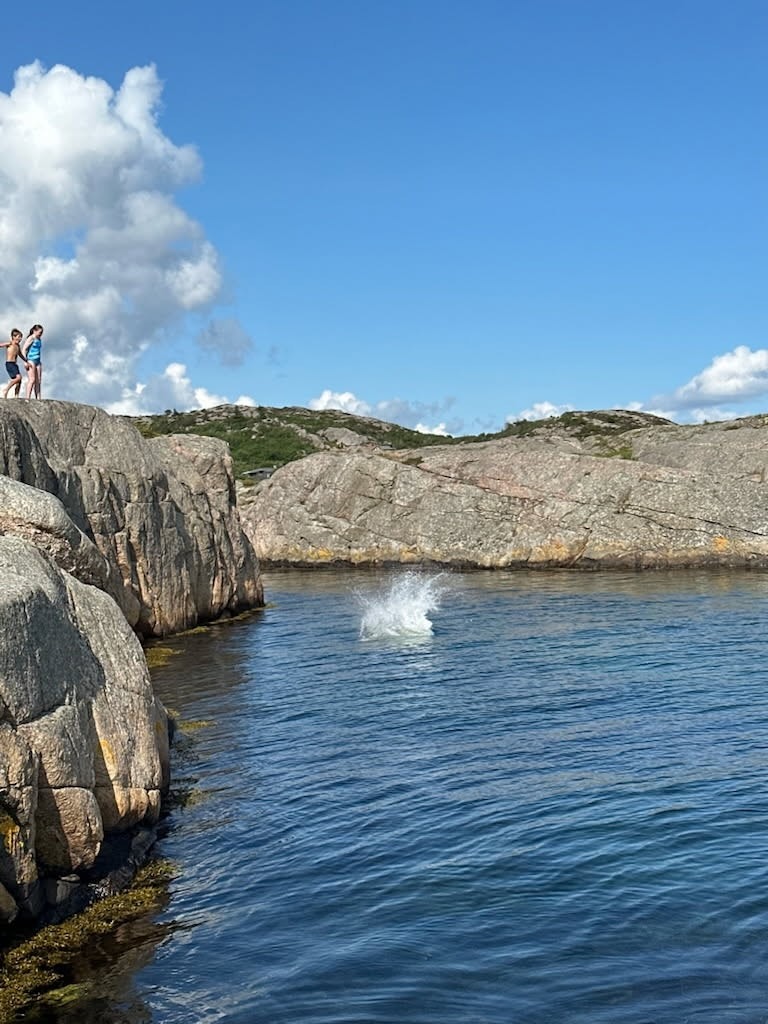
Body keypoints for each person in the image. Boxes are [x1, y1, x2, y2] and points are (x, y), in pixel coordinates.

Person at [21, 324, 43, 399]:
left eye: (42, 332)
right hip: (30, 360)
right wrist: (25, 361)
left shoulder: (39, 339)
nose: (41, 334)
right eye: (40, 332)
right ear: (34, 331)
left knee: (38, 381)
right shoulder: (31, 338)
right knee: (32, 379)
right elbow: (24, 349)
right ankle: (27, 398)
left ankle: (38, 398)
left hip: (38, 361)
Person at [1, 328, 24, 398]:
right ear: (13, 337)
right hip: (9, 364)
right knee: (19, 377)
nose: (20, 339)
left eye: (21, 338)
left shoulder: (18, 346)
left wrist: (26, 360)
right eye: (18, 337)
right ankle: (6, 389)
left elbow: (20, 354)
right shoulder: (10, 343)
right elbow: (1, 345)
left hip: (15, 364)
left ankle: (16, 396)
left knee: (19, 381)